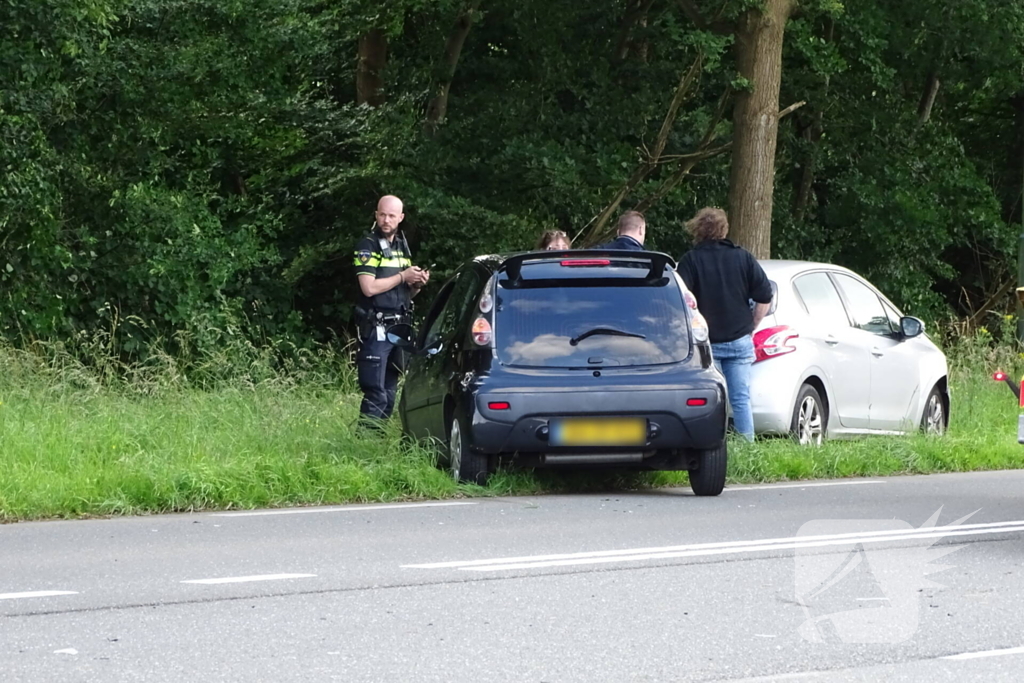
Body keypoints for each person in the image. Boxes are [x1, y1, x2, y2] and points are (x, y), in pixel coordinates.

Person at [676, 207, 772, 441]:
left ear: (698, 229)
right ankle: (748, 450)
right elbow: (765, 296)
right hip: (740, 339)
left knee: (712, 400)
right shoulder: (743, 257)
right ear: (723, 229)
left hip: (707, 344)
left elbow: (680, 299)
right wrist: (752, 324)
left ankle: (713, 449)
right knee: (740, 398)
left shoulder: (691, 261)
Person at [353, 195, 430, 424]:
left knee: (390, 391)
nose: (386, 220)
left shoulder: (401, 246)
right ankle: (364, 443)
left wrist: (416, 284)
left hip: (399, 326)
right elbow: (368, 288)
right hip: (376, 326)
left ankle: (377, 444)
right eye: (382, 214)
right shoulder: (367, 245)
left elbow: (405, 291)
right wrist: (402, 276)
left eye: (391, 216)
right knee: (375, 391)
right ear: (376, 215)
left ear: (401, 218)